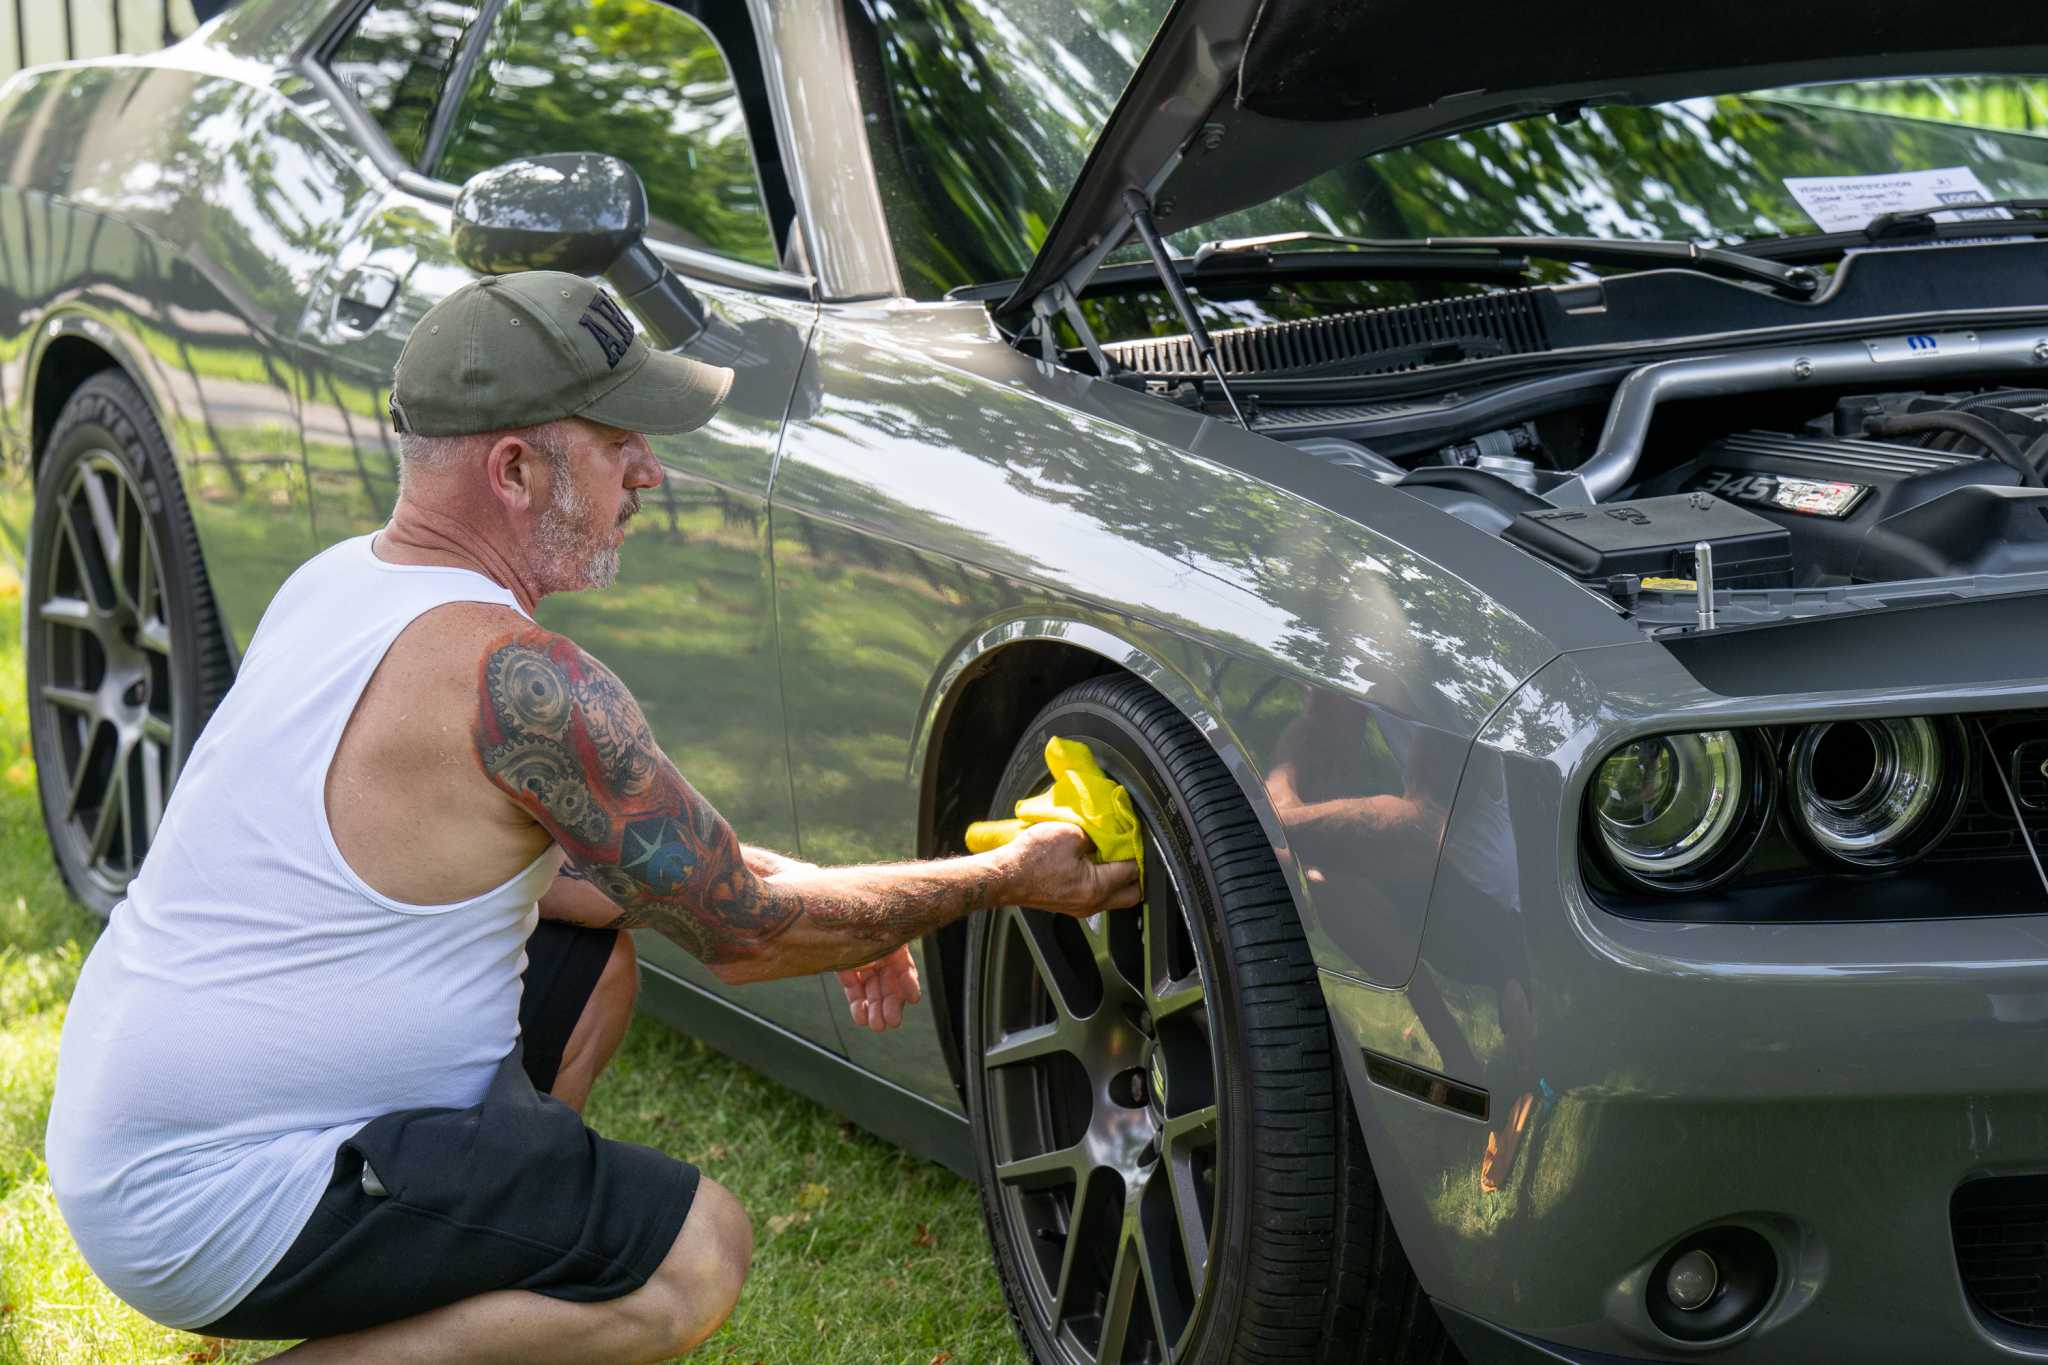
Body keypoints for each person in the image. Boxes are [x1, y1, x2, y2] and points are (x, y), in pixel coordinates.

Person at [44, 271, 1140, 1362]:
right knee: (692, 1255)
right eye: (618, 441)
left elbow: (639, 879)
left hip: (131, 1129)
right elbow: (745, 932)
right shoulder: (517, 680)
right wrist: (1009, 876)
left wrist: (843, 906)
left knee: (590, 957)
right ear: (514, 469)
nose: (648, 471)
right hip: (213, 1198)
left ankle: (477, 1270)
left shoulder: (341, 582)